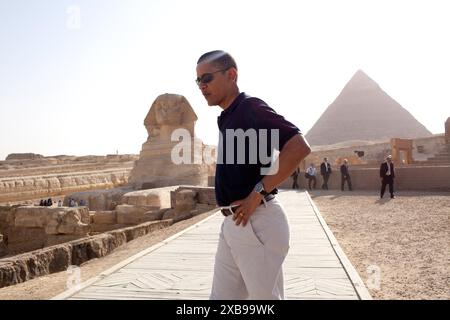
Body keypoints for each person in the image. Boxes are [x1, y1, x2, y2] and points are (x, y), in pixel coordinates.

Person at [196, 50, 311, 300]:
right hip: (233, 223)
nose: (201, 86)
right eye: (198, 82)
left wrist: (257, 194)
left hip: (257, 221)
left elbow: (299, 146)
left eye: (207, 79)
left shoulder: (250, 107)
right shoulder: (227, 117)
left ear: (231, 75)